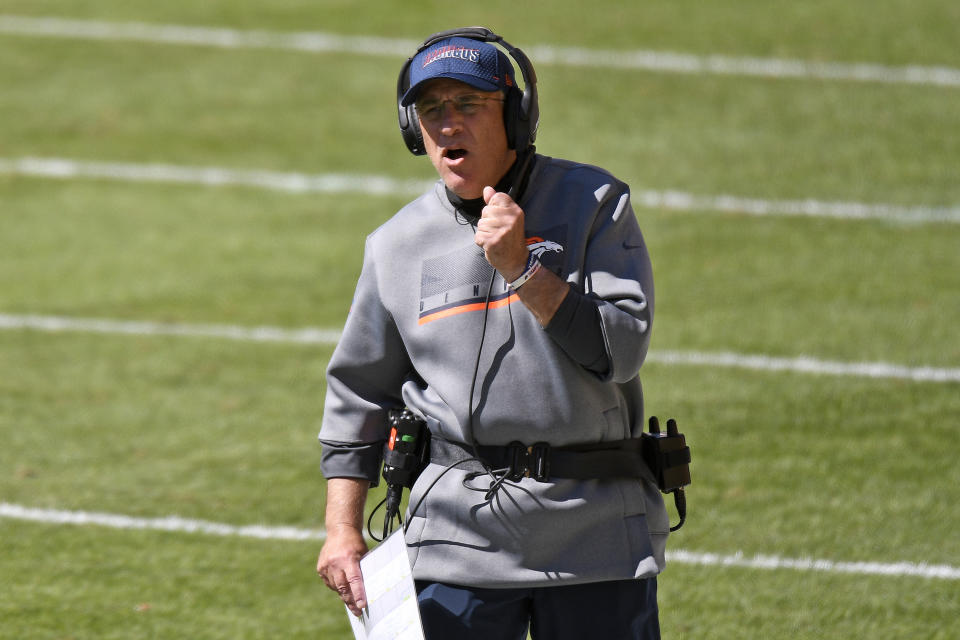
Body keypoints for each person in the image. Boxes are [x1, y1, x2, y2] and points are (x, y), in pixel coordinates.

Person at [316, 27, 667, 639]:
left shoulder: (594, 202)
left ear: (517, 116)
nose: (448, 124)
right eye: (431, 110)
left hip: (596, 531)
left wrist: (524, 270)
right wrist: (342, 530)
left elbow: (619, 350)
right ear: (412, 130)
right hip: (453, 537)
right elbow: (360, 394)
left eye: (469, 105)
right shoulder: (395, 246)